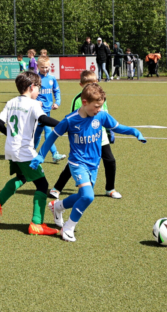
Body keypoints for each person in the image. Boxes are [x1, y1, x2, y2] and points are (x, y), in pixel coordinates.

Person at [31, 83, 147, 242]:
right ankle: (68, 227)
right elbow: (52, 136)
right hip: (77, 163)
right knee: (88, 196)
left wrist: (135, 132)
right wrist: (41, 155)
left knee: (81, 195)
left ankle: (57, 207)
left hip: (94, 164)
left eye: (101, 106)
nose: (99, 109)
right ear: (85, 102)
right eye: (97, 106)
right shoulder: (70, 120)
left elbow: (118, 127)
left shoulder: (102, 116)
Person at [0, 71, 62, 236]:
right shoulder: (34, 104)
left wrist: (11, 136)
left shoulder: (11, 102)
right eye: (38, 88)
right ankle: (36, 223)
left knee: (21, 178)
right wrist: (64, 124)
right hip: (25, 151)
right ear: (31, 87)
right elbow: (44, 119)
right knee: (42, 184)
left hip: (11, 149)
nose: (39, 92)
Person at [50, 70, 121, 200]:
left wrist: (110, 130)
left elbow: (105, 115)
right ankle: (57, 188)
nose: (91, 86)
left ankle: (110, 189)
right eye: (87, 84)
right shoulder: (78, 100)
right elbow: (73, 121)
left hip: (100, 137)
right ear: (81, 85)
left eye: (93, 83)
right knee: (74, 163)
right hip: (84, 139)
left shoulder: (101, 98)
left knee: (110, 161)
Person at [33, 56, 66, 163]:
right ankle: (52, 153)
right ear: (37, 66)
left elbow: (57, 91)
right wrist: (35, 103)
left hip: (47, 110)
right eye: (42, 67)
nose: (45, 69)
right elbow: (29, 93)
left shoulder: (52, 79)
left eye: (47, 67)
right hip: (38, 111)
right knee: (44, 132)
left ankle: (32, 152)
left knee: (40, 132)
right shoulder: (35, 78)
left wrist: (57, 102)